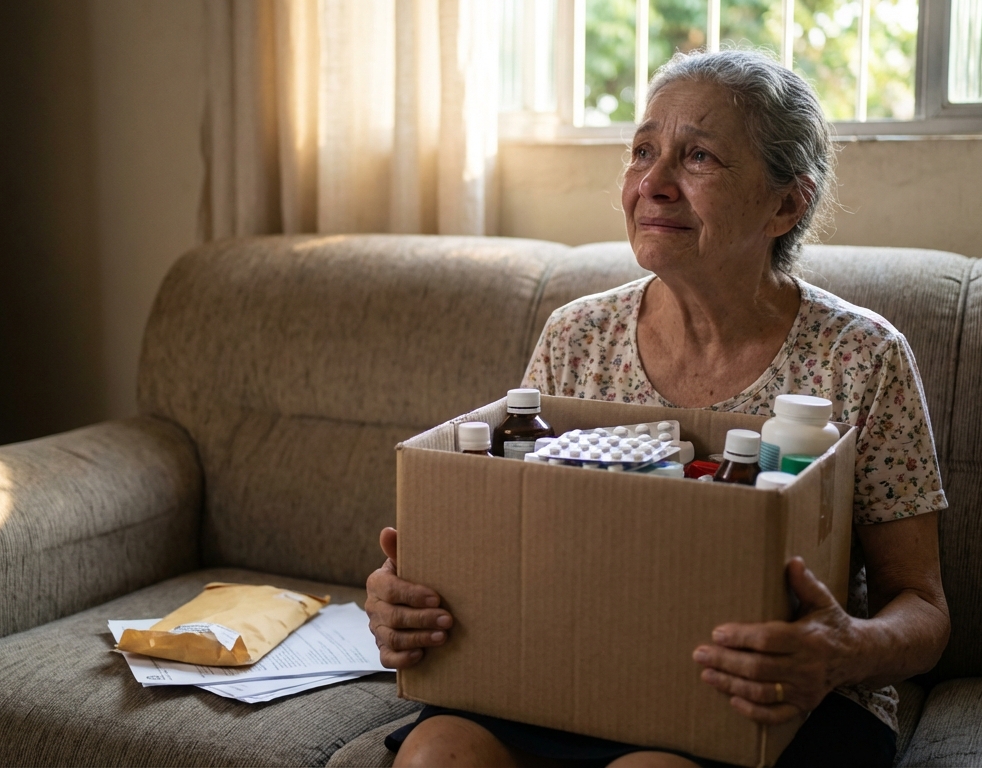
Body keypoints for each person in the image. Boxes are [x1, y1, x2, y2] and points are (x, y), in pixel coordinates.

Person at [365, 48, 950, 768]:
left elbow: (922, 608)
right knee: (437, 754)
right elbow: (524, 531)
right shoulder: (576, 337)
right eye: (643, 150)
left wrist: (840, 651)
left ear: (786, 203)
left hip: (774, 698)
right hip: (574, 672)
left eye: (698, 157)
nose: (653, 183)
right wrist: (412, 596)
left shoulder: (862, 356)